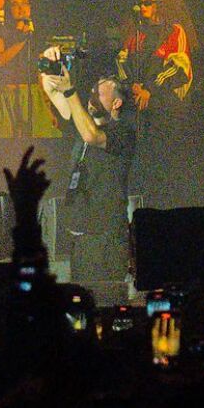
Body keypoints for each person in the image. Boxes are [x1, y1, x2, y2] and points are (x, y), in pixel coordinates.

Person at [40, 50, 135, 284]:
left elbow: (92, 136)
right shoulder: (84, 123)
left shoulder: (123, 132)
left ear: (116, 102)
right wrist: (49, 70)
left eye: (99, 93)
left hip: (108, 237)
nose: (91, 96)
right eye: (92, 91)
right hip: (82, 236)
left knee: (107, 299)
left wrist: (71, 91)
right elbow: (58, 98)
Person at [116, 0, 198, 206]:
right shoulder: (137, 35)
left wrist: (149, 91)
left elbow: (179, 69)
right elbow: (123, 64)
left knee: (166, 166)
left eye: (148, 2)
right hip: (141, 110)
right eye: (141, 2)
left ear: (159, 4)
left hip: (166, 110)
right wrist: (132, 85)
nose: (142, 7)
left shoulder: (174, 31)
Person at [0, 0, 61, 140]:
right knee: (9, 144)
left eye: (25, 3)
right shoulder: (0, 33)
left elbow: (41, 72)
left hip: (32, 95)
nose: (21, 8)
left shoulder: (34, 35)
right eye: (15, 4)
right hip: (7, 96)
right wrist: (20, 41)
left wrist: (47, 107)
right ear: (7, 9)